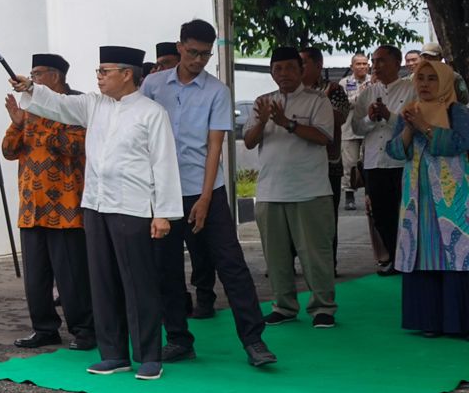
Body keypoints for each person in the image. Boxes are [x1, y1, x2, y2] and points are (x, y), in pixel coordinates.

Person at [11, 45, 182, 380]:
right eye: (98, 72)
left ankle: (148, 354)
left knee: (138, 284)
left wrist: (163, 213)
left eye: (105, 71)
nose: (99, 78)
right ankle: (113, 353)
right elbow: (58, 105)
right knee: (101, 282)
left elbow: (164, 165)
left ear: (127, 74)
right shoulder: (93, 104)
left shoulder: (151, 112)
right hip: (95, 205)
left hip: (132, 207)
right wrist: (30, 88)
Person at [142, 21, 276, 367]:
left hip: (208, 191)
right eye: (192, 52)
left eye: (205, 54)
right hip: (163, 194)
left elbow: (214, 148)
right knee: (165, 269)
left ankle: (254, 341)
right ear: (180, 46)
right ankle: (178, 338)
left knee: (231, 265)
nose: (198, 60)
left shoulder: (217, 91)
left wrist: (204, 199)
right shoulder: (153, 85)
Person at [2, 53, 95, 350]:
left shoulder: (76, 105)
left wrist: (41, 122)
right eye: (33, 74)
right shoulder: (29, 108)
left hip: (65, 206)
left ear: (56, 76)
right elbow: (8, 150)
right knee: (36, 277)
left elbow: (74, 145)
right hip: (31, 206)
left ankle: (85, 329)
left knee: (71, 276)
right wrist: (18, 124)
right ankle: (44, 328)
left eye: (38, 74)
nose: (33, 80)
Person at [247, 47, 337, 327]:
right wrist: (263, 121)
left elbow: (324, 138)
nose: (283, 73)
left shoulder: (317, 101)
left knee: (315, 254)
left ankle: (323, 307)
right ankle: (283, 306)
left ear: (301, 70)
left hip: (310, 190)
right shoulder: (263, 102)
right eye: (277, 69)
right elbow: (249, 141)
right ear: (272, 72)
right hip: (271, 190)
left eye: (289, 68)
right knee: (275, 255)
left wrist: (287, 123)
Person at [387, 59, 469, 336]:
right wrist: (410, 127)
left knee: (456, 255)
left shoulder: (457, 111)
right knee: (423, 254)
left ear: (445, 82)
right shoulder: (407, 112)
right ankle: (428, 321)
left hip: (452, 199)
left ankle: (458, 323)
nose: (424, 84)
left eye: (432, 79)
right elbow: (396, 151)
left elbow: (460, 143)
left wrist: (425, 126)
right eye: (420, 78)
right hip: (417, 199)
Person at [349, 45, 413, 274]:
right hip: (375, 162)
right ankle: (394, 257)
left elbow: (414, 126)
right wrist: (370, 118)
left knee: (406, 213)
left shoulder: (411, 89)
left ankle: (408, 259)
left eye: (382, 61)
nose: (376, 66)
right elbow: (356, 127)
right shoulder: (367, 92)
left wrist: (389, 116)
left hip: (402, 162)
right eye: (374, 61)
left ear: (398, 64)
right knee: (380, 214)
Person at [301, 48, 350, 268]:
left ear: (318, 65)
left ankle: (328, 263)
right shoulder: (291, 91)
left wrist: (318, 104)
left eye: (303, 63)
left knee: (327, 217)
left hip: (329, 163)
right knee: (298, 215)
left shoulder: (335, 90)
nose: (299, 68)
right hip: (298, 163)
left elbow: (339, 118)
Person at [339, 53, 371, 210]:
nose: (362, 67)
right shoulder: (344, 83)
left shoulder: (374, 81)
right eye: (358, 64)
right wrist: (362, 95)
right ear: (352, 66)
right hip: (349, 130)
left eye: (365, 63)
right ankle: (349, 196)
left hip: (370, 130)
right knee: (350, 164)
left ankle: (370, 195)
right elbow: (344, 103)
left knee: (370, 163)